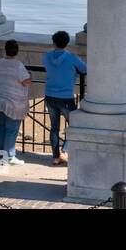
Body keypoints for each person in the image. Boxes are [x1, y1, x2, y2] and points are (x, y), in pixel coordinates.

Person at [43, 30, 86, 166]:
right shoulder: (71, 58)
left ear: (54, 42)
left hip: (49, 95)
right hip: (66, 97)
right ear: (67, 43)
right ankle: (65, 151)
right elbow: (85, 69)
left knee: (54, 128)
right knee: (74, 124)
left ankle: (56, 157)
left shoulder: (46, 57)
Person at [0, 40, 30, 166]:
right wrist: (30, 76)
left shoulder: (0, 63)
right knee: (11, 130)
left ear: (5, 50)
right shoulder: (18, 65)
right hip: (13, 103)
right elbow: (25, 81)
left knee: (1, 128)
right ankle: (10, 156)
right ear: (17, 52)